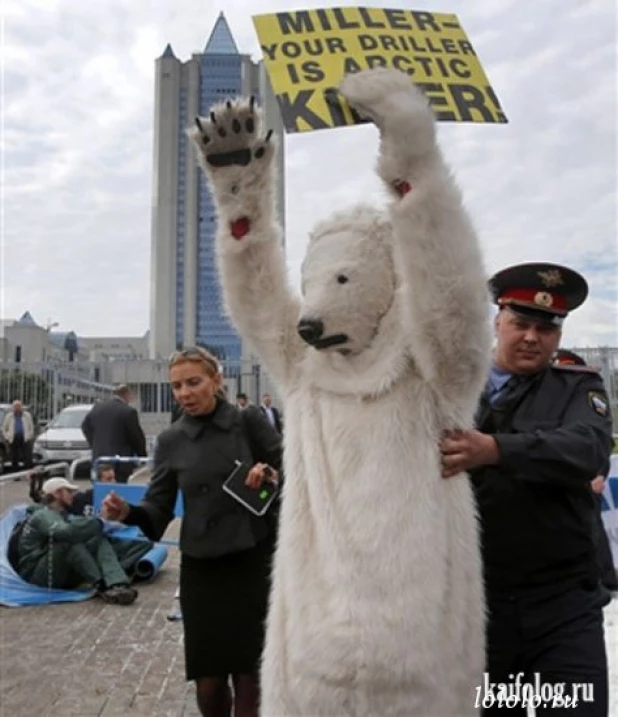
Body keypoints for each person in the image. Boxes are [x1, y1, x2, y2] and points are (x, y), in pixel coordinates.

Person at [440, 262, 613, 716]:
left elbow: (587, 448)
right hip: (480, 611)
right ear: (497, 321)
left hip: (563, 611)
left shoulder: (578, 387)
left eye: (545, 328)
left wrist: (495, 449)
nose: (532, 337)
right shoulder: (453, 392)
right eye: (520, 323)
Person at [101, 347, 282, 717]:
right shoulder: (171, 441)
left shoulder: (248, 423)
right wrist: (129, 512)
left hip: (254, 561)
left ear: (216, 381)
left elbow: (296, 472)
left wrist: (271, 478)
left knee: (252, 676)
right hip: (203, 568)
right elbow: (158, 511)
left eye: (194, 382)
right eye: (177, 386)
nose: (184, 393)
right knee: (209, 680)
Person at [552, 349, 618, 594]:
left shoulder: (585, 397)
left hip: (584, 480)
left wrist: (599, 474)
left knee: (593, 533)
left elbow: (601, 442)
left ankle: (605, 581)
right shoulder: (544, 405)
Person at [16, 477, 138, 605]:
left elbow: (77, 528)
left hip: (56, 569)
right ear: (57, 494)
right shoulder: (42, 515)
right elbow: (67, 532)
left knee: (97, 538)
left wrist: (101, 524)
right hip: (37, 575)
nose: (73, 495)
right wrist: (101, 521)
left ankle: (117, 584)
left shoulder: (61, 514)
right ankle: (101, 585)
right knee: (67, 543)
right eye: (68, 491)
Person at [81, 385, 147, 483]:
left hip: (99, 459)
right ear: (127, 395)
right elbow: (136, 437)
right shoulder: (128, 412)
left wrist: (95, 443)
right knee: (119, 491)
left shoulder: (97, 408)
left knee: (98, 491)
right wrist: (142, 456)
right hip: (120, 463)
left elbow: (85, 426)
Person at [2, 400, 35, 472]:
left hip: (25, 438)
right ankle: (15, 474)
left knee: (27, 457)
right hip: (14, 438)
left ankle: (27, 473)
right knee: (14, 457)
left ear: (21, 407)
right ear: (13, 408)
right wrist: (7, 437)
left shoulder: (27, 415)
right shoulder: (9, 416)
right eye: (15, 406)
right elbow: (4, 428)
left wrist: (29, 436)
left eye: (19, 406)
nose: (17, 408)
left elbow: (31, 427)